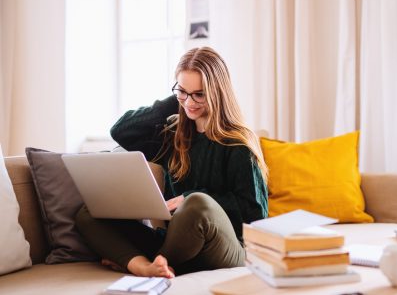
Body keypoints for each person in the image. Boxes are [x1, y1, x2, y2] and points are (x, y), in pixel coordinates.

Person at [75, 46, 269, 278]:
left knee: (197, 204)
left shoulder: (238, 142)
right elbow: (121, 131)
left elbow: (255, 215)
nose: (190, 102)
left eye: (199, 94)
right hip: (176, 242)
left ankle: (154, 263)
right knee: (89, 213)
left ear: (218, 92)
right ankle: (145, 266)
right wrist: (176, 100)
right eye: (182, 92)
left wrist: (188, 199)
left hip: (228, 248)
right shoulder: (172, 135)